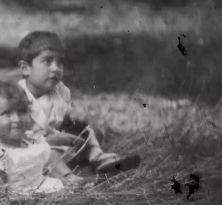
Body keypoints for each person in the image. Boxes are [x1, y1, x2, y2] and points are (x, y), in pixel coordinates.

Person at [17, 31, 141, 176]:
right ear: (25, 68)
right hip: (30, 150)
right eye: (47, 61)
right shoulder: (17, 98)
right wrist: (51, 140)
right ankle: (71, 179)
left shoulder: (60, 91)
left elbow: (64, 120)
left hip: (58, 143)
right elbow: (16, 138)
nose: (56, 68)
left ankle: (98, 158)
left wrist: (74, 128)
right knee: (49, 153)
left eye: (59, 62)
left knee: (88, 131)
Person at [0, 80, 76, 194]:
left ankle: (70, 181)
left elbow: (48, 161)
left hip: (41, 186)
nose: (17, 119)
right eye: (7, 113)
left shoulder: (32, 141)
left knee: (56, 185)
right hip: (17, 195)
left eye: (22, 111)